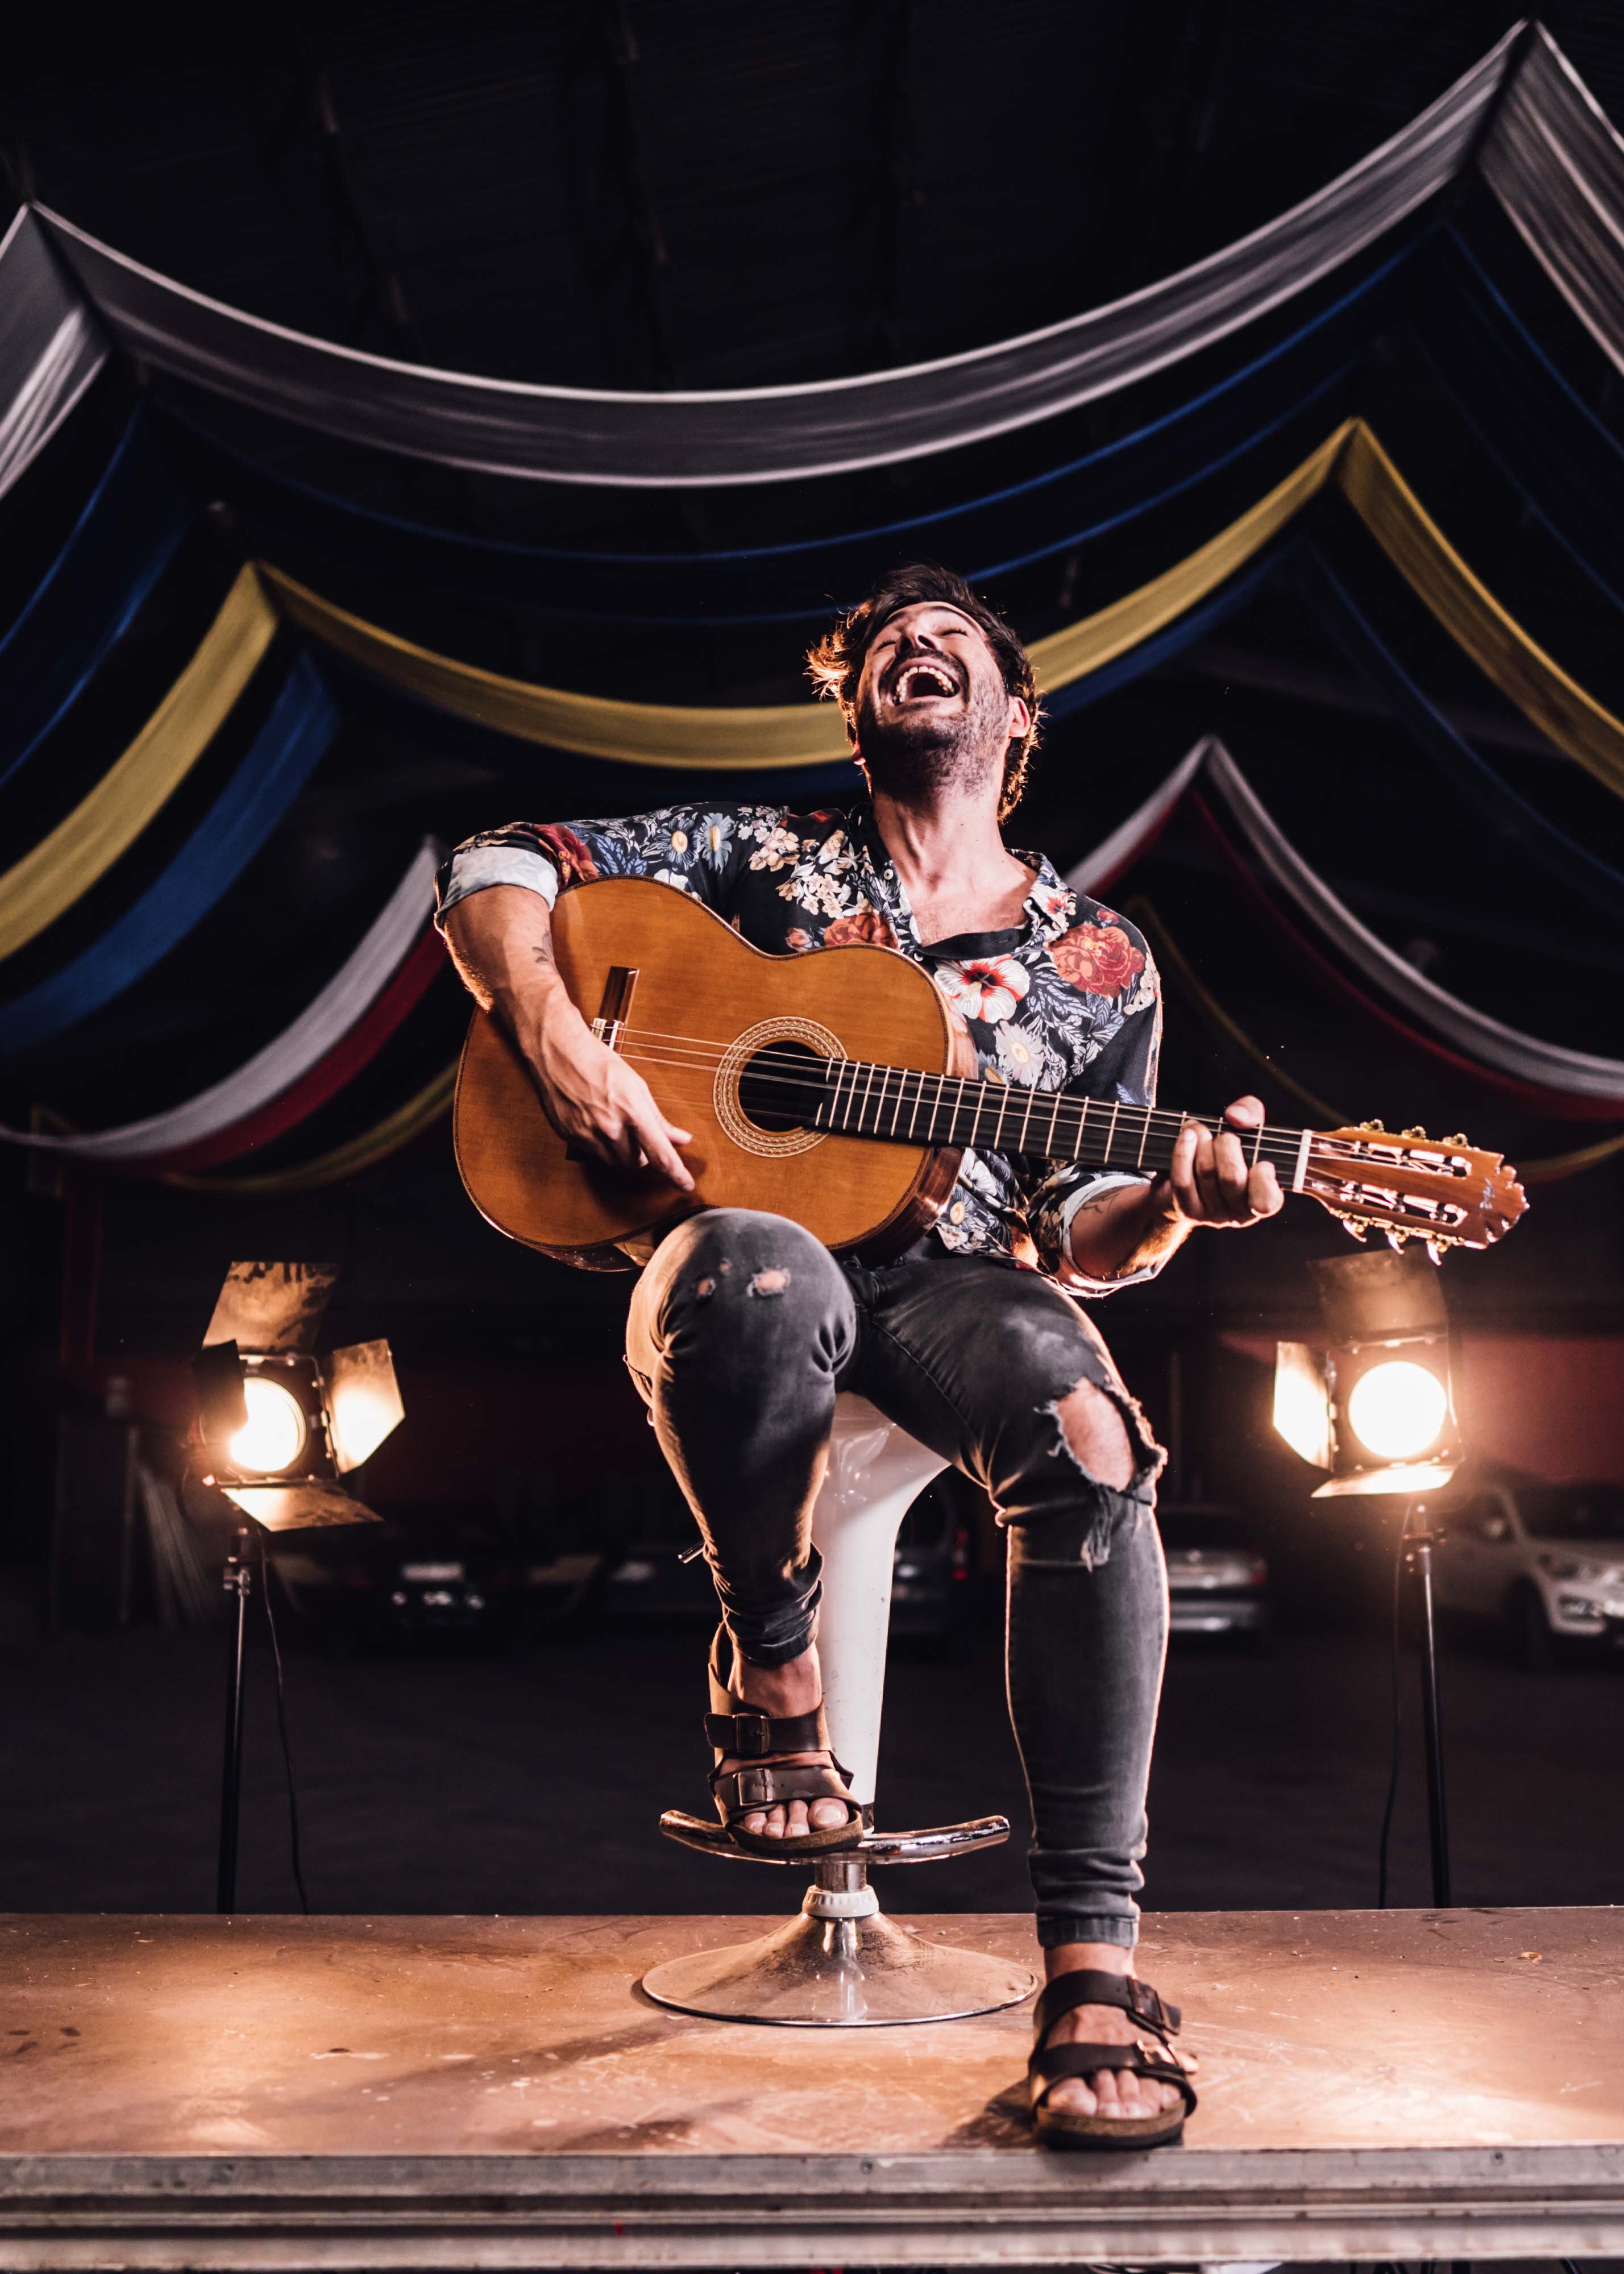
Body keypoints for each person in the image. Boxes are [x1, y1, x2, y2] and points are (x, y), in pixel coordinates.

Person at [435, 563, 1281, 2149]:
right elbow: (496, 858)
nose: (921, 649)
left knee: (1097, 1441)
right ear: (856, 713)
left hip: (958, 1286)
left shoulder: (1100, 960)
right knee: (753, 1274)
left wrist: (1175, 1197)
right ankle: (772, 1660)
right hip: (751, 1263)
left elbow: (1087, 1225)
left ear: (1016, 719)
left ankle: (1095, 1968)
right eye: (891, 648)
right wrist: (555, 1035)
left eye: (956, 644)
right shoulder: (757, 861)